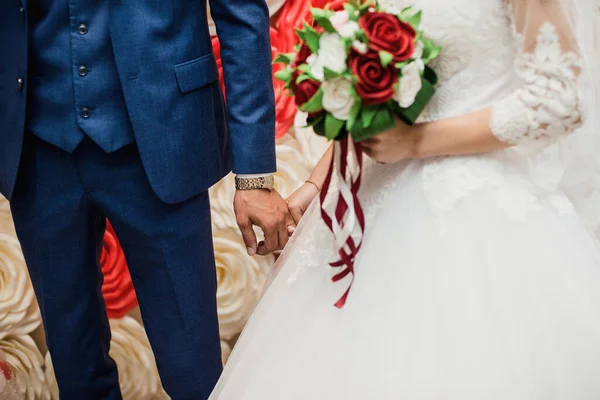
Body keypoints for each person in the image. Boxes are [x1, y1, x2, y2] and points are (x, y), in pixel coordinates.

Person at [210, 0, 600, 398]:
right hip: (378, 194)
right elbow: (381, 103)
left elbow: (559, 102)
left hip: (479, 201)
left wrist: (414, 142)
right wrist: (315, 187)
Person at [0, 0, 291, 399]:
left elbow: (241, 15)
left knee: (194, 370)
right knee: (75, 368)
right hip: (38, 148)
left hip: (164, 138)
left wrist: (254, 176)